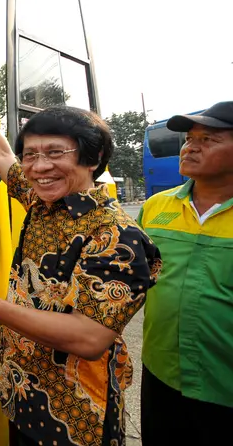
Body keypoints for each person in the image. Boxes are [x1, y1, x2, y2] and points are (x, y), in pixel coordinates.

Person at [0, 66, 161, 446]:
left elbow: (88, 338)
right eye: (33, 155)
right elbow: (0, 154)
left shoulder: (117, 236)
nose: (39, 167)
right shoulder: (44, 201)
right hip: (21, 391)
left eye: (55, 153)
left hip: (74, 412)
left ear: (94, 158)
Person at [137, 101, 233, 445]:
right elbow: (132, 276)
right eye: (190, 138)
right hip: (162, 374)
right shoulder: (155, 207)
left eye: (208, 139)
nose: (190, 146)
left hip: (225, 386)